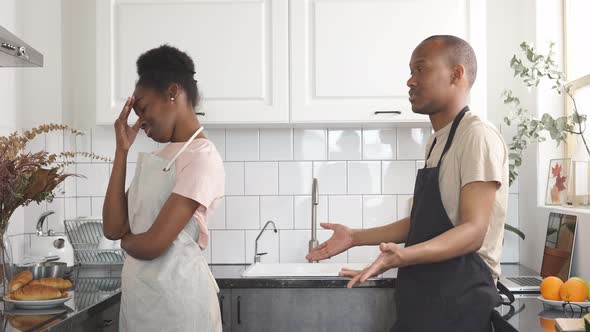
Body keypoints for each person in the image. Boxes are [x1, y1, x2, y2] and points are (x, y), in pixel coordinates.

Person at [306, 35, 509, 331]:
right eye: (411, 71)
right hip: (429, 295)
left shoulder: (477, 135)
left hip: (459, 301)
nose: (410, 81)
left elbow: (473, 233)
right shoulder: (438, 141)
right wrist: (355, 236)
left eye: (420, 69)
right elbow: (423, 223)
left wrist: (401, 256)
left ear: (456, 74)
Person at [102, 45, 224, 332]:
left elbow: (153, 245)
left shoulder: (202, 157)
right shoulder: (160, 157)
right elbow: (113, 227)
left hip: (179, 305)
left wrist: (125, 242)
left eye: (143, 109)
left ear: (172, 92)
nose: (140, 122)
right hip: (141, 301)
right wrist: (122, 151)